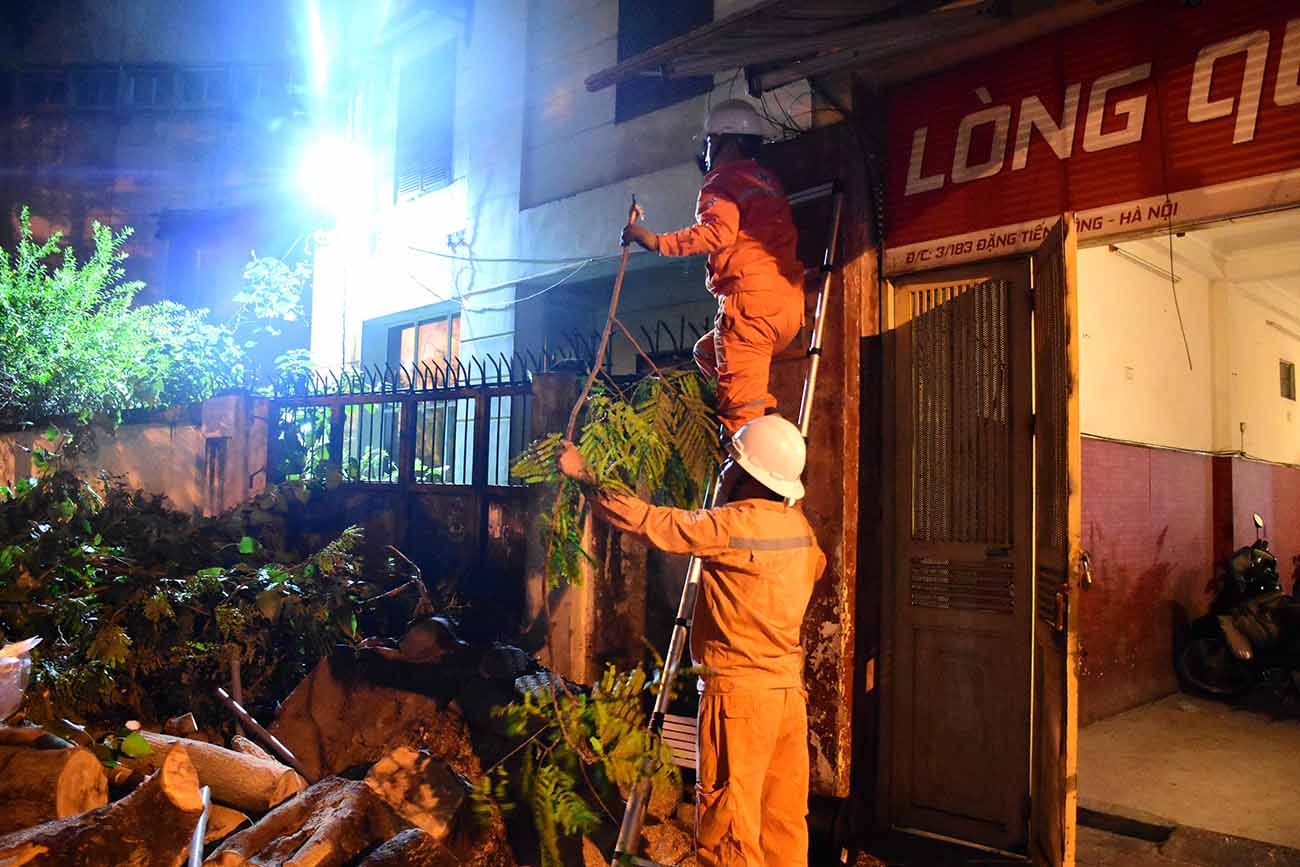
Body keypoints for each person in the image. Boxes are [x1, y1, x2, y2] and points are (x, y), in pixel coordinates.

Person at [557, 414, 825, 867]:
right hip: (786, 698)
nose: (725, 471)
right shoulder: (801, 531)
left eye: (732, 463)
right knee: (782, 823)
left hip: (738, 699)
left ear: (748, 473)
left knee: (729, 829)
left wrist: (585, 476)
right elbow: (813, 570)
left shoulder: (730, 526)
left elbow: (652, 522)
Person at [621, 99, 805, 435]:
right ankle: (763, 412)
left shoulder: (722, 179)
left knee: (738, 424)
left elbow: (717, 233)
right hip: (787, 309)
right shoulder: (767, 180)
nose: (706, 150)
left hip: (751, 308)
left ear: (725, 140)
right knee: (706, 353)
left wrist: (656, 242)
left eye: (709, 141)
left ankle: (754, 447)